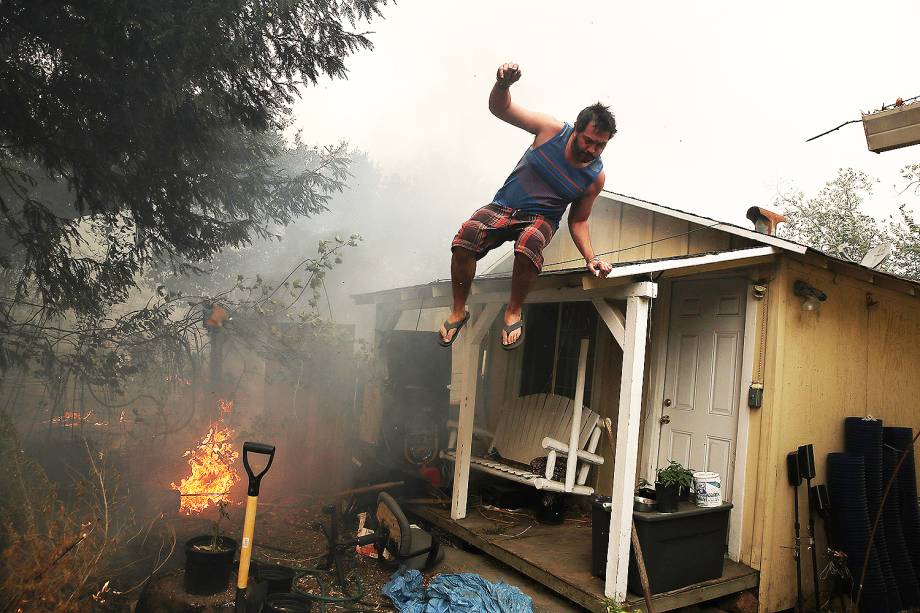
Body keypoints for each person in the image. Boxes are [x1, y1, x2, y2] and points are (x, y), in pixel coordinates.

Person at [438, 62, 616, 350]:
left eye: (600, 146)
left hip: (541, 218)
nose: (591, 150)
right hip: (504, 205)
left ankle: (513, 311)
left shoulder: (595, 177)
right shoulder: (550, 130)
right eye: (588, 141)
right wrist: (503, 85)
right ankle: (459, 310)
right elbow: (500, 109)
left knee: (529, 243)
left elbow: (578, 221)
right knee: (466, 236)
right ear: (576, 130)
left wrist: (590, 258)